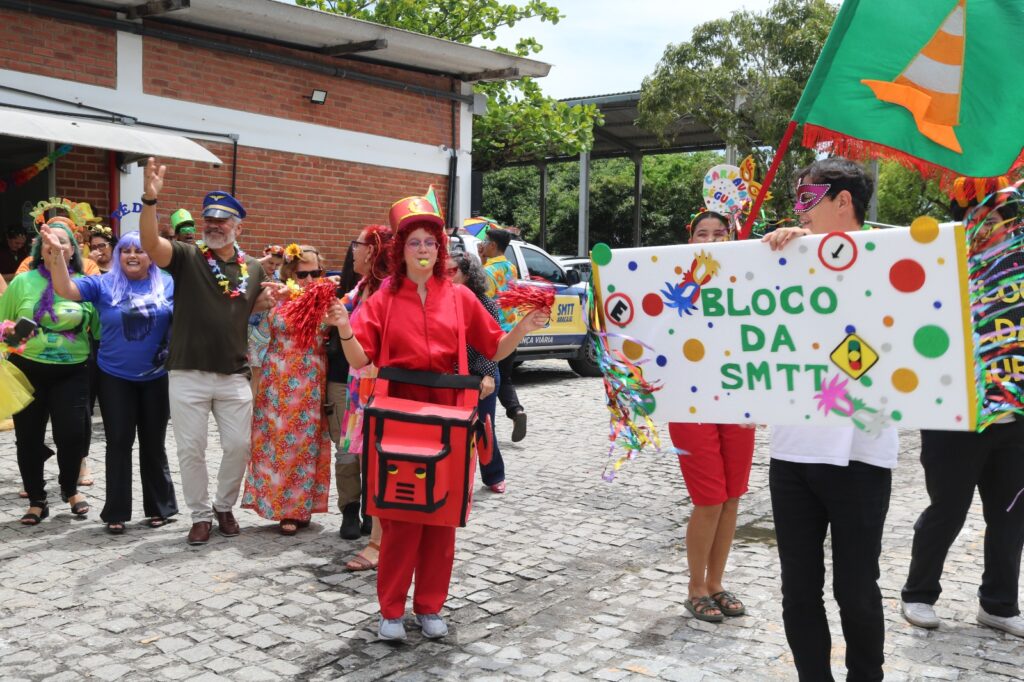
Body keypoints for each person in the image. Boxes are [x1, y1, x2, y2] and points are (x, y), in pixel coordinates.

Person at [328, 194, 549, 641]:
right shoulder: (384, 298)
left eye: (430, 242)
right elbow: (361, 357)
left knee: (442, 517)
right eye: (414, 242)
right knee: (400, 519)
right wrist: (345, 327)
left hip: (449, 418)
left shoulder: (461, 296)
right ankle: (391, 610)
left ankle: (430, 605)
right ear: (401, 250)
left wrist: (523, 328)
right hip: (398, 417)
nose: (424, 249)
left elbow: (493, 348)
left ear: (440, 248)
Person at [762, 157, 897, 681]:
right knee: (798, 590)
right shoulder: (785, 259)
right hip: (791, 454)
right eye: (795, 198)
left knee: (856, 589)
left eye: (807, 198)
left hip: (861, 454)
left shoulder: (889, 260)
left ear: (843, 202)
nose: (798, 211)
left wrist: (824, 262)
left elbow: (880, 351)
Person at [900, 180, 1024, 639]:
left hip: (1014, 419)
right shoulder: (938, 269)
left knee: (1011, 515)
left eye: (999, 220)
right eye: (980, 219)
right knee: (948, 508)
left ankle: (999, 604)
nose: (990, 228)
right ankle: (918, 593)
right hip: (953, 416)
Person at [139, 157, 269, 545]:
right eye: (208, 220)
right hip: (188, 372)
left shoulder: (254, 268)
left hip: (233, 373)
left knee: (239, 446)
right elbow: (150, 244)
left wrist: (275, 298)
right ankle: (199, 516)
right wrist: (150, 201)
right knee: (191, 450)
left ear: (238, 228)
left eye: (222, 221)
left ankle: (223, 505)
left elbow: (254, 305)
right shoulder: (187, 255)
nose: (213, 225)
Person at [42, 229, 178, 534]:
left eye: (140, 250)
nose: (133, 255)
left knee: (153, 443)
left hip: (157, 377)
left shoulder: (168, 282)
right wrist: (57, 255)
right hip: (115, 377)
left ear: (150, 256)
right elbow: (65, 289)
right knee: (118, 442)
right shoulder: (103, 283)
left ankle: (160, 507)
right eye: (126, 250)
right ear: (118, 255)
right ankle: (116, 511)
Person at [671, 211, 755, 623]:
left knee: (732, 497)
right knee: (709, 499)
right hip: (690, 403)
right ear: (690, 241)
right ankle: (696, 588)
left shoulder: (750, 280)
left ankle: (716, 582)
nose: (710, 240)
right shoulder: (673, 282)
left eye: (720, 234)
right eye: (701, 234)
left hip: (738, 399)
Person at [0, 222, 96, 524]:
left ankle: (70, 489)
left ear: (73, 250)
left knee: (72, 435)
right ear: (40, 250)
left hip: (72, 371)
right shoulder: (22, 283)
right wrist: (16, 335)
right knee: (28, 438)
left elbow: (101, 329)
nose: (56, 246)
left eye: (63, 241)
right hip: (26, 371)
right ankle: (37, 500)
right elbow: (3, 326)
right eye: (49, 242)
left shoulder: (85, 284)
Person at [241, 245, 332, 535]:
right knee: (275, 443)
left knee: (305, 445)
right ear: (291, 273)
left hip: (311, 380)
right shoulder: (274, 296)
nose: (309, 279)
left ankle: (298, 508)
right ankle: (279, 506)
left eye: (316, 273)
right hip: (276, 378)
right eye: (303, 274)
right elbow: (248, 325)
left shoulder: (326, 298)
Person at [335, 225, 391, 563]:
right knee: (368, 463)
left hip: (379, 385)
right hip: (359, 385)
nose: (352, 250)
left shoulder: (388, 289)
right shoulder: (362, 286)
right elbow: (339, 309)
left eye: (356, 244)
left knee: (380, 464)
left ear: (371, 250)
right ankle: (377, 537)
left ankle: (380, 543)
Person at [449, 254, 505, 493]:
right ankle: (453, 477)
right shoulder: (443, 300)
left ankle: (494, 475)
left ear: (467, 275)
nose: (447, 277)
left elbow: (493, 345)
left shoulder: (485, 303)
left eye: (452, 272)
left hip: (481, 374)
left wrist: (488, 375)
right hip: (451, 375)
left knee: (483, 427)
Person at [480, 228, 527, 442]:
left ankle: (486, 424)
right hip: (511, 332)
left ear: (492, 245)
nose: (482, 244)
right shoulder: (511, 267)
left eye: (484, 241)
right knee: (504, 377)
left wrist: (482, 262)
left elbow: (481, 300)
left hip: (493, 334)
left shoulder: (487, 272)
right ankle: (516, 411)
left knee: (487, 378)